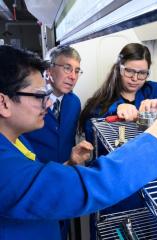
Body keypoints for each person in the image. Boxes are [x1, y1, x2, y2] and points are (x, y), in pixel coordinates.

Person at [0, 45, 157, 240]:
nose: (49, 102)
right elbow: (81, 186)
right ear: (4, 103)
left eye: (142, 73)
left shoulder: (17, 144)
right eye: (39, 95)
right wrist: (154, 138)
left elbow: (38, 183)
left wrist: (68, 165)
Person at [78, 43, 157, 236]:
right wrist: (115, 112)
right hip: (122, 192)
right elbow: (95, 143)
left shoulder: (153, 91)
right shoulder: (98, 105)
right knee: (120, 232)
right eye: (130, 71)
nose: (135, 78)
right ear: (119, 68)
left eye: (142, 73)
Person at [23, 45, 85, 239]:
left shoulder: (74, 103)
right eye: (67, 68)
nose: (73, 76)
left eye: (77, 70)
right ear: (49, 70)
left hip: (64, 178)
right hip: (35, 184)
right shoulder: (29, 103)